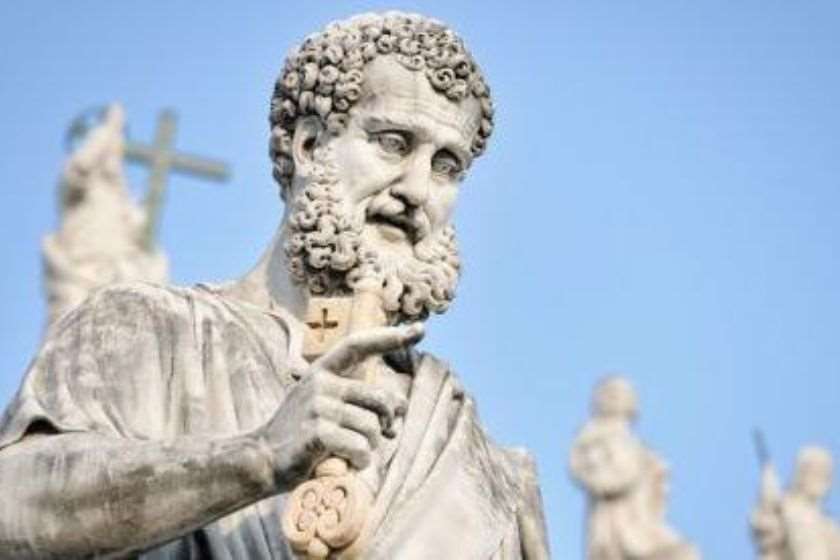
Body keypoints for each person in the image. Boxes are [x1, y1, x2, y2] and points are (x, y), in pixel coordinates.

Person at [0, 11, 549, 559]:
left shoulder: (479, 466)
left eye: (446, 165)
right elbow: (12, 506)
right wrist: (257, 458)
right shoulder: (149, 331)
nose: (417, 190)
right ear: (308, 145)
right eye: (393, 143)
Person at [570, 376, 699, 560]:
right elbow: (593, 472)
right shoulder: (594, 436)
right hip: (616, 523)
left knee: (683, 552)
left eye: (624, 394)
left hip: (641, 516)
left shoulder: (629, 441)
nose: (620, 399)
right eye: (613, 394)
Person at [751, 445, 840, 560]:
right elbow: (763, 529)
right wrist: (768, 499)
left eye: (823, 474)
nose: (818, 479)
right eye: (813, 471)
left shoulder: (829, 527)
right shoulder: (785, 507)